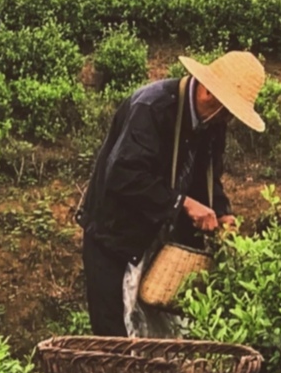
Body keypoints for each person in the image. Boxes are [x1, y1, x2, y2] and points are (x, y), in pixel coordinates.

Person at [77, 50, 266, 337]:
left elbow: (207, 177)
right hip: (114, 238)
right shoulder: (152, 108)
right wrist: (183, 203)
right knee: (114, 339)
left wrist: (222, 212)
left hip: (157, 245)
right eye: (228, 111)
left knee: (162, 341)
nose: (229, 119)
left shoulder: (212, 122)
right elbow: (124, 176)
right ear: (207, 92)